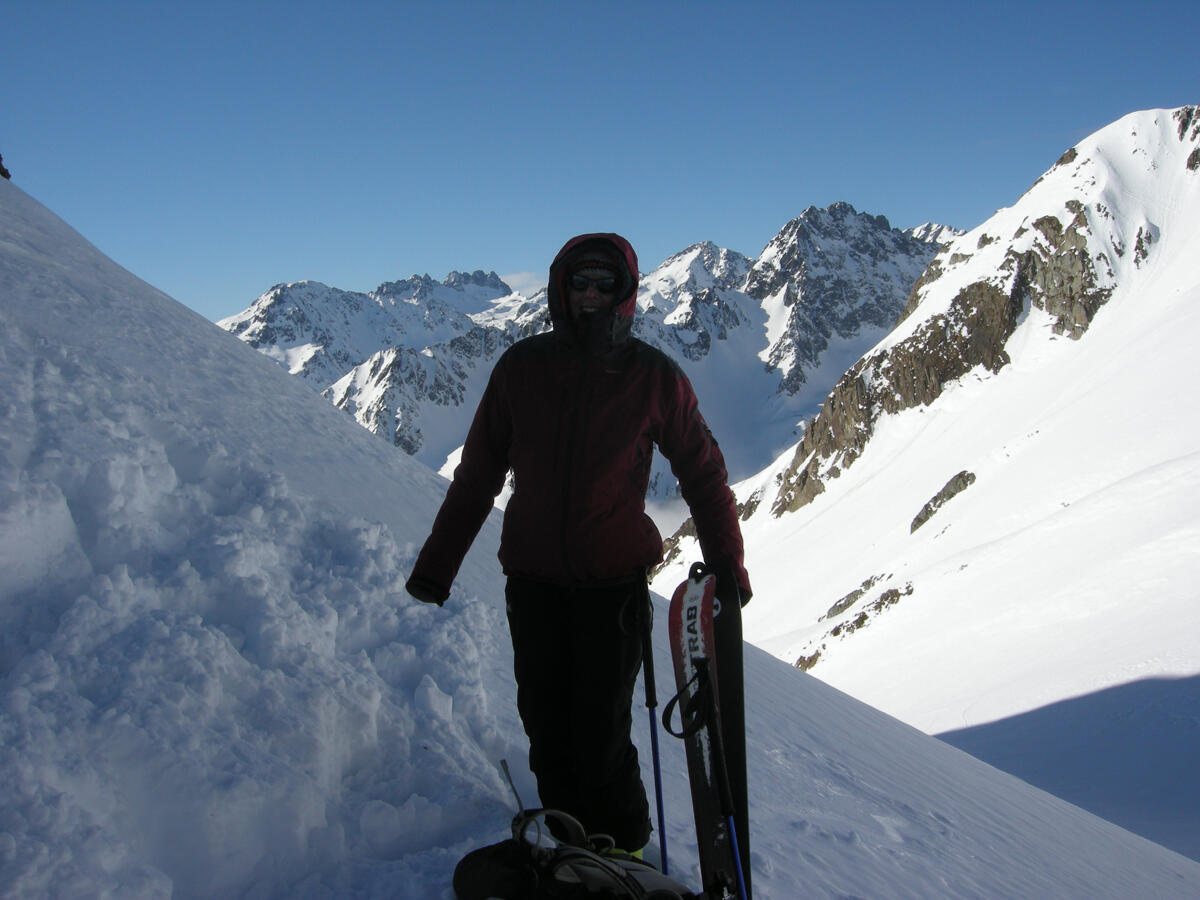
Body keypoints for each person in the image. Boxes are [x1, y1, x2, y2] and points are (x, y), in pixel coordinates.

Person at [405, 233, 752, 881]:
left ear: (625, 293)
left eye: (604, 284)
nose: (590, 295)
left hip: (612, 590)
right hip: (532, 585)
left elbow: (704, 475)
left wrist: (728, 569)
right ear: (561, 289)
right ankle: (570, 849)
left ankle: (624, 856)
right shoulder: (522, 367)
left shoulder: (653, 377)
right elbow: (477, 476)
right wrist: (435, 568)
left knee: (600, 735)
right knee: (545, 726)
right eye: (580, 283)